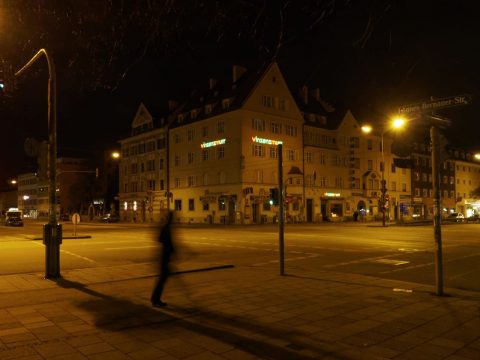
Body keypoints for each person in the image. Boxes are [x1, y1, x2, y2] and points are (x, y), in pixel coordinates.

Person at [151, 211, 175, 307]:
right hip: (165, 257)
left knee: (162, 279)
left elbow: (159, 239)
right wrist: (171, 250)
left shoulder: (165, 227)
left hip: (163, 256)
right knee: (162, 279)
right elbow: (168, 242)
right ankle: (155, 299)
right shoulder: (167, 228)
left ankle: (155, 299)